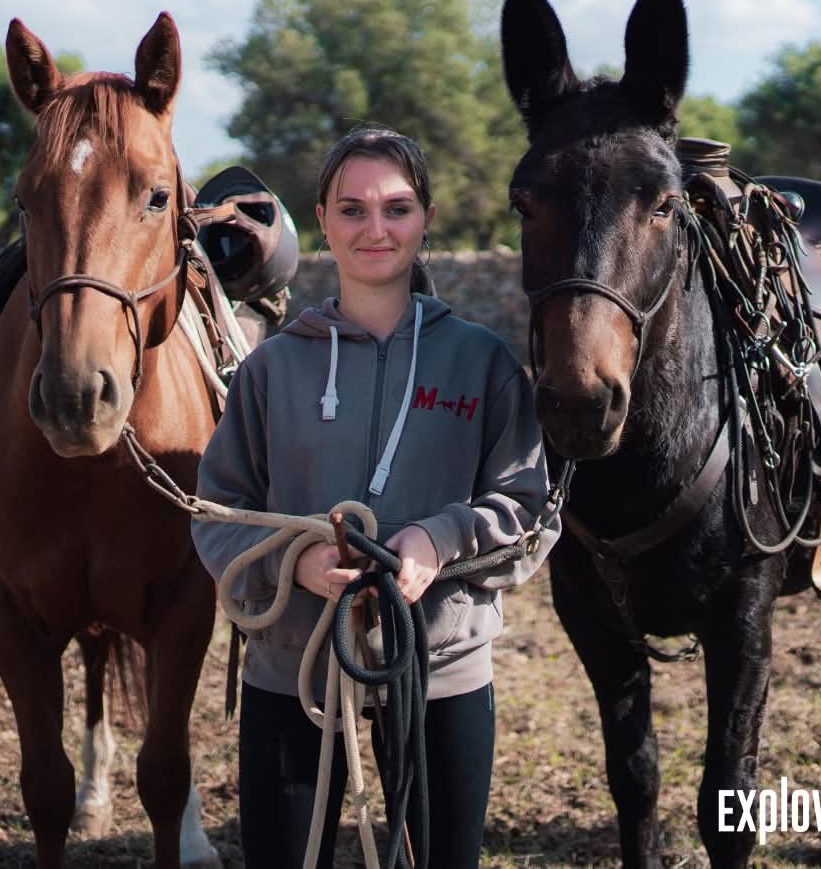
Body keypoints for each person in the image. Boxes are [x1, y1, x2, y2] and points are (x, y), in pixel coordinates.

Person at [191, 127, 558, 869]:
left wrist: (437, 540)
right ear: (321, 222)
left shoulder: (482, 361)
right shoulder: (271, 368)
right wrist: (294, 563)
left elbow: (528, 506)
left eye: (396, 208)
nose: (375, 229)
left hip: (440, 665)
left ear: (425, 219)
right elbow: (218, 513)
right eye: (352, 209)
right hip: (294, 667)